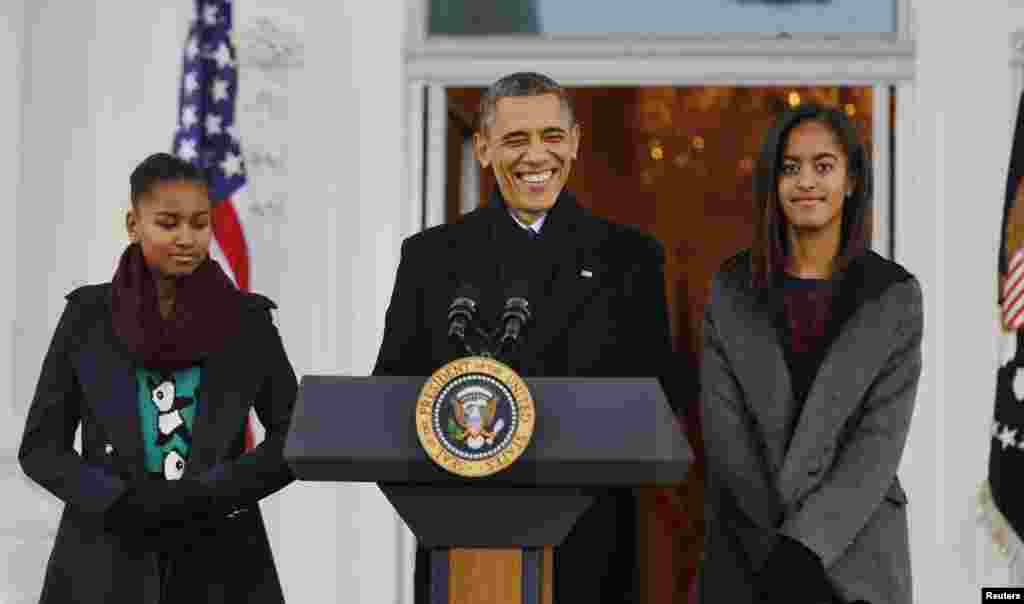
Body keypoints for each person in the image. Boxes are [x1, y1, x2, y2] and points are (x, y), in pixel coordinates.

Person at [373, 72, 677, 604]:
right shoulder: (431, 258)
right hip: (463, 550)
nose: (537, 155)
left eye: (552, 137)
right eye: (516, 139)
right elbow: (390, 399)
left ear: (576, 142)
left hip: (590, 551)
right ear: (484, 148)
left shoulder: (629, 260)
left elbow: (659, 403)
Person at [18, 152, 298, 603]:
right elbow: (40, 447)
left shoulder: (249, 322)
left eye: (200, 223)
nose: (187, 238)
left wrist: (216, 492)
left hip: (223, 564)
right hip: (103, 561)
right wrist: (116, 500)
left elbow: (295, 437)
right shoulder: (87, 318)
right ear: (134, 224)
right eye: (168, 224)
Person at [697, 103, 922, 604]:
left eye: (824, 166)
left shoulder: (894, 296)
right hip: (748, 554)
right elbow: (726, 439)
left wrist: (805, 548)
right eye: (790, 167)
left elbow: (876, 445)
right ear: (773, 184)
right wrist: (778, 558)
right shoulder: (731, 289)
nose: (806, 182)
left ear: (852, 180)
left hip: (856, 555)